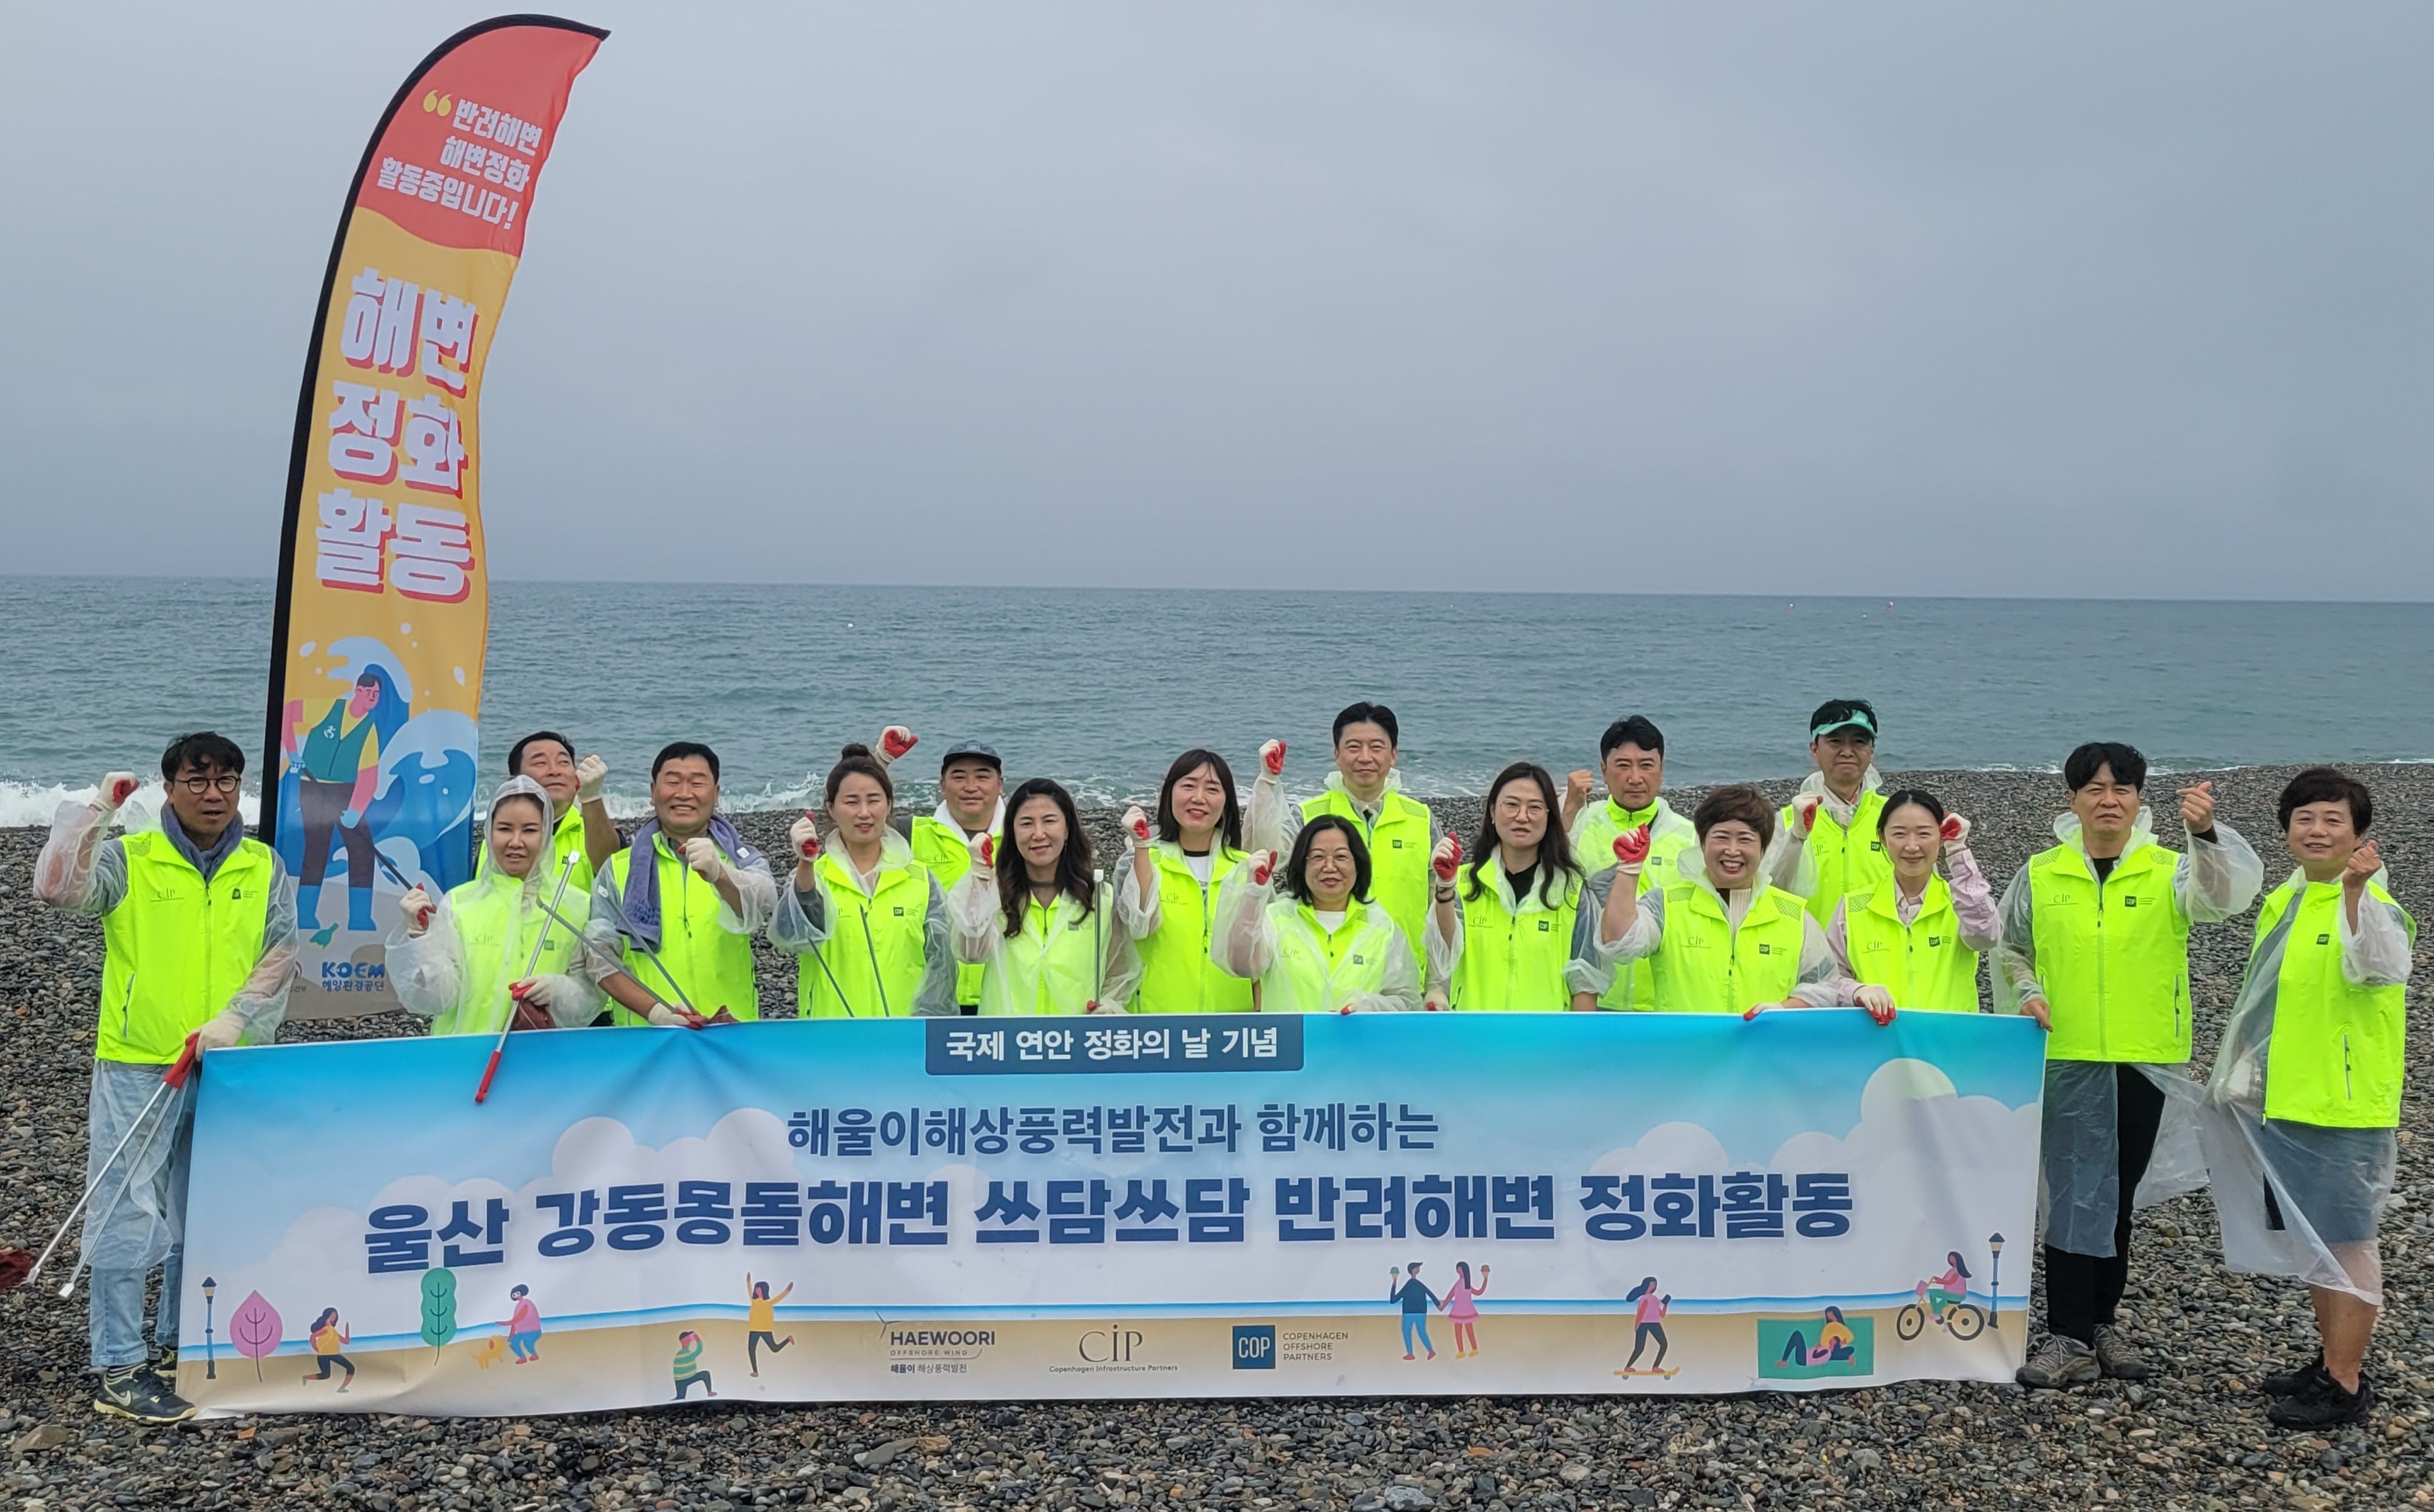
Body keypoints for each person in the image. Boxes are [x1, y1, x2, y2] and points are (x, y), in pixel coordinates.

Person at [33, 731, 297, 1425]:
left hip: (230, 1061)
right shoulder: (133, 857)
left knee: (202, 1206)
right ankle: (119, 1365)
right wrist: (95, 810)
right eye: (197, 780)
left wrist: (237, 1018)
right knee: (126, 1209)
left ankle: (183, 1341)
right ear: (170, 787)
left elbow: (279, 951)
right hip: (141, 1058)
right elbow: (57, 890)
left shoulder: (262, 863)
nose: (213, 794)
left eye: (227, 781)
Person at [2001, 742, 2262, 1389]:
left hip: (2144, 1057)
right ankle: (2066, 1333)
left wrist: (2203, 832)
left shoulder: (2170, 870)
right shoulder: (2041, 873)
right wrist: (2027, 991)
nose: (2108, 799)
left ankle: (2102, 1323)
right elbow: (2010, 947)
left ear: (2140, 798)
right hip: (2067, 1054)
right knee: (2070, 1195)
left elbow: (2223, 897)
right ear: (2071, 799)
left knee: (2116, 1192)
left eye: (2121, 788)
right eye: (2093, 788)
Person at [2206, 768, 2414, 1428]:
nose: (2318, 831)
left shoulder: (2372, 903)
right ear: (2287, 830)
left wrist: (2356, 893)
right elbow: (2262, 1001)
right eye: (2305, 819)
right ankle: (2329, 1360)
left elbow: (2381, 966)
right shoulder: (2286, 900)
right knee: (2313, 1242)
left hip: (2339, 1105)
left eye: (2333, 820)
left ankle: (2346, 1384)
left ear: (2358, 835)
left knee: (2347, 1241)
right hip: (2283, 1100)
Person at [1594, 785, 1850, 1016]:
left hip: (1761, 1058)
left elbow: (1826, 986)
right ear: (1702, 843)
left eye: (1745, 839)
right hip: (1684, 1057)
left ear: (1764, 848)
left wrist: (1782, 1010)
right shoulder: (1666, 904)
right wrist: (1629, 869)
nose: (1732, 850)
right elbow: (1619, 942)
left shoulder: (1793, 914)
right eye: (1721, 837)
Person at [387, 778, 602, 1035]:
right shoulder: (459, 903)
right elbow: (436, 999)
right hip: (463, 1058)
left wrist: (557, 989)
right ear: (489, 831)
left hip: (543, 1061)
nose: (516, 842)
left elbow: (593, 997)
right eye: (505, 829)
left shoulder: (576, 906)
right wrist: (419, 937)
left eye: (530, 830)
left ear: (546, 835)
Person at [582, 742, 775, 1026]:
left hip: (730, 1031)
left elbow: (765, 904)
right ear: (652, 792)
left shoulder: (741, 861)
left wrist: (721, 875)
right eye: (672, 782)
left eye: (697, 783)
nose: (684, 794)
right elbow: (598, 957)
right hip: (647, 1036)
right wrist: (654, 1012)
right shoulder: (619, 869)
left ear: (717, 794)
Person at [769, 745, 956, 1018]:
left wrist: (925, 1029)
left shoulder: (920, 878)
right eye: (852, 802)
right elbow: (792, 938)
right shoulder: (814, 876)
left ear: (890, 805)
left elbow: (941, 969)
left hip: (902, 1035)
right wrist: (805, 863)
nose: (864, 813)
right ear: (831, 808)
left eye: (874, 800)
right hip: (833, 1034)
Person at [1254, 704, 1438, 969]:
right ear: (1337, 755)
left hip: (1403, 977)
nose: (1365, 757)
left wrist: (1438, 982)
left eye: (1376, 747)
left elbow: (1442, 904)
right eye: (1353, 747)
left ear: (1394, 755)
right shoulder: (1309, 815)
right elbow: (1263, 856)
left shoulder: (1421, 818)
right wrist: (1267, 782)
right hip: (1323, 975)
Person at [947, 778, 1139, 1015]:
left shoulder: (1100, 897)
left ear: (1067, 829)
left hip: (1075, 1040)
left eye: (1049, 821)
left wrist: (1109, 1007)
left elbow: (1119, 970)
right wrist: (981, 877)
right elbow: (970, 953)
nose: (1038, 834)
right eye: (1026, 824)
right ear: (1012, 833)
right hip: (1006, 1039)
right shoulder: (996, 894)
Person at [1429, 764, 1606, 1012]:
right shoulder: (1464, 883)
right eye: (1511, 805)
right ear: (1493, 811)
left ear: (1549, 816)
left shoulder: (1571, 890)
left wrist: (1573, 1045)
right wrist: (1445, 886)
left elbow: (1586, 982)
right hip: (1475, 1037)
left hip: (1545, 1042)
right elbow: (1445, 953)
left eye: (1534, 807)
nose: (1522, 817)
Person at [1210, 818, 1423, 1013]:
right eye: (1318, 857)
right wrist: (1254, 895)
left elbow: (1406, 999)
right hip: (1290, 1048)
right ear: (1302, 865)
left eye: (1341, 857)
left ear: (1358, 865)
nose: (1329, 867)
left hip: (1357, 1051)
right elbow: (1241, 965)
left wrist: (1370, 1007)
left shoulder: (1381, 927)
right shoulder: (1276, 919)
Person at [1821, 790, 1998, 1017]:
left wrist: (1957, 851)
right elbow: (1826, 979)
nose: (1912, 846)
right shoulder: (1853, 907)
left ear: (1941, 836)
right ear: (1882, 838)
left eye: (1924, 834)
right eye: (1899, 834)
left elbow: (1986, 935)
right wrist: (1857, 990)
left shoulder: (1961, 902)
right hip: (1880, 1045)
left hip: (1950, 1044)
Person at [1561, 716, 1697, 1010]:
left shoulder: (1689, 837)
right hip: (1593, 999)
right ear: (1603, 771)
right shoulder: (1581, 826)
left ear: (1662, 770)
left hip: (1666, 1002)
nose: (1635, 778)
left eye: (1646, 765)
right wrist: (1568, 810)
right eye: (1623, 766)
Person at [1118, 750, 1256, 1013]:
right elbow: (1139, 925)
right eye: (1189, 786)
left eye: (1213, 789)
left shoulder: (1245, 869)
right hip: (1157, 1027)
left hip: (1233, 1028)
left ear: (1227, 802)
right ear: (1170, 794)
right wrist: (1141, 847)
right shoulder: (1145, 859)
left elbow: (1259, 959)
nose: (1199, 798)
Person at [281, 670, 391, 933]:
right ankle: (305, 916)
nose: (373, 698)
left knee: (363, 850)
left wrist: (355, 810)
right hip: (313, 787)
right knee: (316, 849)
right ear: (358, 690)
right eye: (370, 693)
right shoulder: (327, 708)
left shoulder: (369, 728)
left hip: (345, 792)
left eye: (377, 695)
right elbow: (287, 714)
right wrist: (293, 751)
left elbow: (369, 776)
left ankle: (360, 919)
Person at [902, 734, 1004, 1013]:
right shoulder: (912, 833)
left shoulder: (1024, 837)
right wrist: (879, 761)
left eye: (982, 777)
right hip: (934, 995)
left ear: (1000, 785)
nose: (971, 787)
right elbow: (857, 823)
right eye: (959, 777)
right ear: (942, 787)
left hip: (1005, 990)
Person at [1767, 699, 1892, 924]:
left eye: (1859, 742)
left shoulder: (1895, 816)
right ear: (1814, 749)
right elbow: (1768, 891)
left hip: (1878, 954)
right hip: (1809, 953)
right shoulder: (1786, 821)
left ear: (1871, 751)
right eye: (1835, 742)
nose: (1847, 752)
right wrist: (1796, 837)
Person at [491, 731, 621, 889]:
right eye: (540, 763)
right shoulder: (493, 840)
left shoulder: (590, 833)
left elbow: (613, 871)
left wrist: (591, 797)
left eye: (564, 762)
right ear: (514, 781)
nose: (555, 771)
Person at [745, 1275, 795, 1377]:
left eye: (759, 1289)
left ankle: (788, 1340)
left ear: (764, 1290)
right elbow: (750, 1291)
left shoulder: (769, 1303)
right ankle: (755, 1371)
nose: (757, 1291)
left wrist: (788, 1290)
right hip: (754, 1329)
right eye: (756, 1289)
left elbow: (780, 1297)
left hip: (765, 1329)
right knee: (751, 1349)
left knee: (774, 1349)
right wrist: (748, 1281)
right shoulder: (754, 1301)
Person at [1389, 1263, 1439, 1360]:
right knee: (1419, 1332)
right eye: (1418, 1267)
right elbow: (1429, 1293)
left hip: (1410, 1312)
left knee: (1409, 1332)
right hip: (1418, 1311)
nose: (1419, 1269)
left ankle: (1417, 1352)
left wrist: (1395, 1282)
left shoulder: (1411, 1284)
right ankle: (1428, 1351)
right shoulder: (1413, 1284)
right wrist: (1438, 1304)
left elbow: (1393, 1299)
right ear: (1414, 1270)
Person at [1776, 1306, 1856, 1366]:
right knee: (1797, 1336)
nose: (1830, 1341)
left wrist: (1817, 1349)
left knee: (1797, 1336)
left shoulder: (1828, 1352)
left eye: (1832, 1341)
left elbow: (1816, 1355)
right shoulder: (1828, 1351)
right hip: (1805, 1357)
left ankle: (1784, 1360)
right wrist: (1847, 1357)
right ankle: (1784, 1360)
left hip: (1803, 1359)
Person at [1441, 1261, 1489, 1357]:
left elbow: (1450, 1296)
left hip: (1459, 1310)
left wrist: (1442, 1307)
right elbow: (1479, 1292)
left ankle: (1462, 1351)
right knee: (1468, 1329)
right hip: (1467, 1310)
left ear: (1460, 1270)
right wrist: (1485, 1279)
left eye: (1458, 1269)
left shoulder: (1459, 1284)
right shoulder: (1467, 1284)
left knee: (1459, 1330)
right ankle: (1474, 1349)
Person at [1623, 1278, 1671, 1371]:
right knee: (1640, 1347)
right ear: (1647, 1285)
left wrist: (1666, 1304)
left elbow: (1662, 1314)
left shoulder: (1655, 1299)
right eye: (1651, 1284)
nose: (1653, 1286)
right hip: (1643, 1323)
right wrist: (1637, 1324)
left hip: (1655, 1323)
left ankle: (1656, 1367)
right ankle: (1628, 1366)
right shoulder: (1645, 1298)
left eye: (1654, 1284)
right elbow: (1641, 1312)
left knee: (1664, 1344)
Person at [302, 1308, 355, 1392]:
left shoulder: (333, 1330)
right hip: (323, 1356)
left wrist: (347, 1330)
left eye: (335, 1316)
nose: (333, 1318)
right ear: (327, 1316)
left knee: (351, 1368)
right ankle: (306, 1377)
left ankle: (342, 1388)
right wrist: (316, 1348)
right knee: (325, 1375)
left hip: (335, 1354)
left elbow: (346, 1341)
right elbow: (313, 1337)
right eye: (332, 1316)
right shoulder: (326, 1329)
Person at [1917, 1252, 1972, 1327]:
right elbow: (1945, 1280)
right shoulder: (1954, 1270)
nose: (1951, 1260)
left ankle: (1936, 1314)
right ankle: (1938, 1315)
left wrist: (1938, 1281)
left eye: (1953, 1259)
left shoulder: (1957, 1271)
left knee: (1933, 1294)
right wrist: (1938, 1280)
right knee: (1941, 1303)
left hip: (1955, 1295)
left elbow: (1950, 1282)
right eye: (1950, 1259)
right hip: (1952, 1294)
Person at [504, 1285, 543, 1363]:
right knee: (513, 1341)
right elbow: (515, 1322)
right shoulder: (518, 1306)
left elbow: (519, 1318)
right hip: (521, 1331)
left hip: (533, 1330)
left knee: (527, 1341)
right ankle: (522, 1357)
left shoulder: (527, 1303)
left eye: (517, 1293)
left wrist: (504, 1323)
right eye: (514, 1295)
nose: (516, 1296)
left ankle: (534, 1354)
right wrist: (511, 1334)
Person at [672, 1330, 715, 1400]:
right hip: (686, 1379)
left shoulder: (682, 1353)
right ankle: (709, 1392)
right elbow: (699, 1350)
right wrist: (697, 1338)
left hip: (681, 1381)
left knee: (680, 1397)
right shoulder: (685, 1353)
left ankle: (710, 1392)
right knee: (705, 1374)